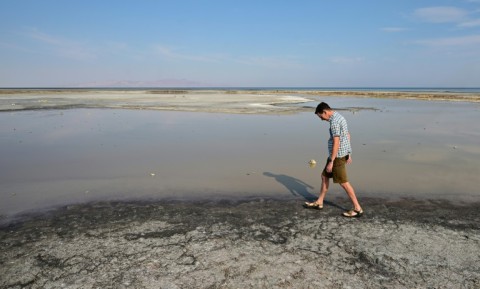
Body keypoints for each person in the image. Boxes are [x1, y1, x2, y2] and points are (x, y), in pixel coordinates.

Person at [304, 102, 363, 218]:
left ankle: (357, 208)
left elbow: (337, 141)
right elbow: (347, 135)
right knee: (324, 176)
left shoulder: (334, 122)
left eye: (320, 116)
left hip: (337, 156)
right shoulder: (340, 116)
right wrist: (349, 153)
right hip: (339, 154)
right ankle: (319, 202)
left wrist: (332, 161)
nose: (321, 119)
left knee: (344, 183)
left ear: (325, 112)